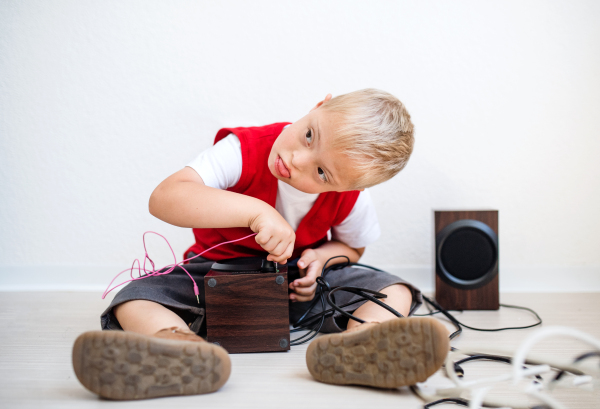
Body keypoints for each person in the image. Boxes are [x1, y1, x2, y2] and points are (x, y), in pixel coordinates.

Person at [72, 89, 449, 400]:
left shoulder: (351, 198)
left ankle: (362, 343)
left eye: (321, 172)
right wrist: (255, 211)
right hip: (214, 277)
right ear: (318, 106)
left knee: (395, 289)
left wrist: (322, 257)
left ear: (348, 187)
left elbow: (353, 250)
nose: (297, 160)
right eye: (309, 136)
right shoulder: (244, 149)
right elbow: (165, 197)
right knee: (137, 296)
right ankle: (176, 345)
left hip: (297, 287)